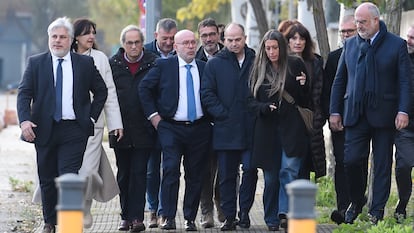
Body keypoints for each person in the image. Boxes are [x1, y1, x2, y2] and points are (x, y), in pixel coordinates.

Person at [17, 17, 107, 233]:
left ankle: (70, 225)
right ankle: (49, 222)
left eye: (62, 37)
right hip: (44, 129)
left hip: (74, 130)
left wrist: (91, 118)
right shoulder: (36, 62)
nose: (57, 41)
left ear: (70, 40)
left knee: (69, 177)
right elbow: (24, 93)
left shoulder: (84, 63)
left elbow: (101, 91)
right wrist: (24, 121)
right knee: (47, 177)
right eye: (54, 37)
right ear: (49, 39)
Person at [330, 2, 411, 224]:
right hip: (355, 114)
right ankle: (357, 201)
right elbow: (340, 81)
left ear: (376, 20)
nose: (359, 26)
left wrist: (403, 111)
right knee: (352, 161)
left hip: (384, 115)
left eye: (362, 22)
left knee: (382, 165)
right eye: (356, 22)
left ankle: (376, 211)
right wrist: (335, 112)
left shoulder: (397, 45)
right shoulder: (351, 45)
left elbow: (405, 82)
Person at [139, 29, 212, 231]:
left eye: (192, 42)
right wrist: (155, 118)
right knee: (170, 170)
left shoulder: (205, 67)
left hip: (199, 128)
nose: (190, 46)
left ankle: (189, 217)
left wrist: (212, 120)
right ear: (176, 46)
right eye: (186, 43)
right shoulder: (164, 65)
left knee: (195, 174)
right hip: (170, 127)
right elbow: (144, 89)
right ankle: (168, 216)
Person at [248, 29, 311, 231]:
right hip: (267, 131)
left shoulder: (294, 65)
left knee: (289, 170)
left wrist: (303, 86)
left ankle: (284, 213)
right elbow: (249, 101)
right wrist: (263, 108)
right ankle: (271, 218)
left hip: (292, 128)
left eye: (275, 48)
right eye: (268, 48)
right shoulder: (258, 68)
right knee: (271, 178)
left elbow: (304, 101)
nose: (272, 52)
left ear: (282, 48)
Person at [200, 23, 258, 231]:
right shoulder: (215, 64)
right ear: (224, 40)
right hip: (225, 129)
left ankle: (244, 213)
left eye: (238, 39)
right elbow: (207, 93)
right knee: (226, 175)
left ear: (245, 38)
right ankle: (229, 217)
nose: (234, 44)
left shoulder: (256, 61)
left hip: (251, 128)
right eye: (230, 40)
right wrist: (222, 113)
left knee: (250, 170)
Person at [71, 18, 124, 229]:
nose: (91, 36)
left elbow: (109, 91)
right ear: (75, 37)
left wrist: (115, 124)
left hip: (93, 125)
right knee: (71, 172)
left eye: (93, 32)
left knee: (89, 172)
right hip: (68, 126)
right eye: (86, 33)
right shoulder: (67, 57)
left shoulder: (100, 58)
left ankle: (84, 207)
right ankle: (73, 212)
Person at [109, 25, 158, 232]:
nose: (134, 46)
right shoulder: (113, 64)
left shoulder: (153, 62)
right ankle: (125, 216)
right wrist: (113, 124)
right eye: (129, 42)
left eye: (137, 42)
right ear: (123, 44)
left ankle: (137, 218)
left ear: (142, 43)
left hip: (144, 129)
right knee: (124, 174)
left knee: (140, 173)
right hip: (120, 129)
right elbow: (108, 97)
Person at [322, 14, 359, 224]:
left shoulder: (364, 52)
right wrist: (332, 115)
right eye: (343, 31)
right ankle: (343, 206)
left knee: (357, 162)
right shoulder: (335, 57)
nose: (345, 35)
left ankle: (357, 202)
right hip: (339, 122)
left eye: (349, 31)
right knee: (341, 163)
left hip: (360, 121)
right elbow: (328, 90)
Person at [143, 17, 177, 227]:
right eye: (165, 38)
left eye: (172, 38)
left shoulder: (181, 52)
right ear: (156, 36)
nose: (169, 42)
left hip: (173, 122)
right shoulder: (146, 52)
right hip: (151, 121)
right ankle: (152, 209)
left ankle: (166, 211)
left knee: (170, 168)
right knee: (151, 169)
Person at [282, 21, 326, 180]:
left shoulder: (315, 63)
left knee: (305, 166)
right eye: (294, 38)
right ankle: (285, 204)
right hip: (287, 121)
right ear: (287, 41)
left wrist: (318, 119)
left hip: (309, 121)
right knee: (288, 167)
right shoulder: (281, 62)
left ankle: (302, 203)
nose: (298, 42)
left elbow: (318, 95)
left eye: (302, 38)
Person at [195, 17, 225, 228]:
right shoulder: (193, 58)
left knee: (227, 168)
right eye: (204, 35)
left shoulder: (230, 55)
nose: (208, 39)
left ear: (218, 34)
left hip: (226, 122)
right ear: (200, 37)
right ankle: (206, 211)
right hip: (202, 124)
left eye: (212, 34)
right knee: (204, 170)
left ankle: (223, 205)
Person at [393, 24, 414, 223]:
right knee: (404, 165)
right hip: (405, 126)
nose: (409, 41)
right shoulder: (400, 58)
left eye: (413, 38)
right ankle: (402, 202)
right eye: (408, 36)